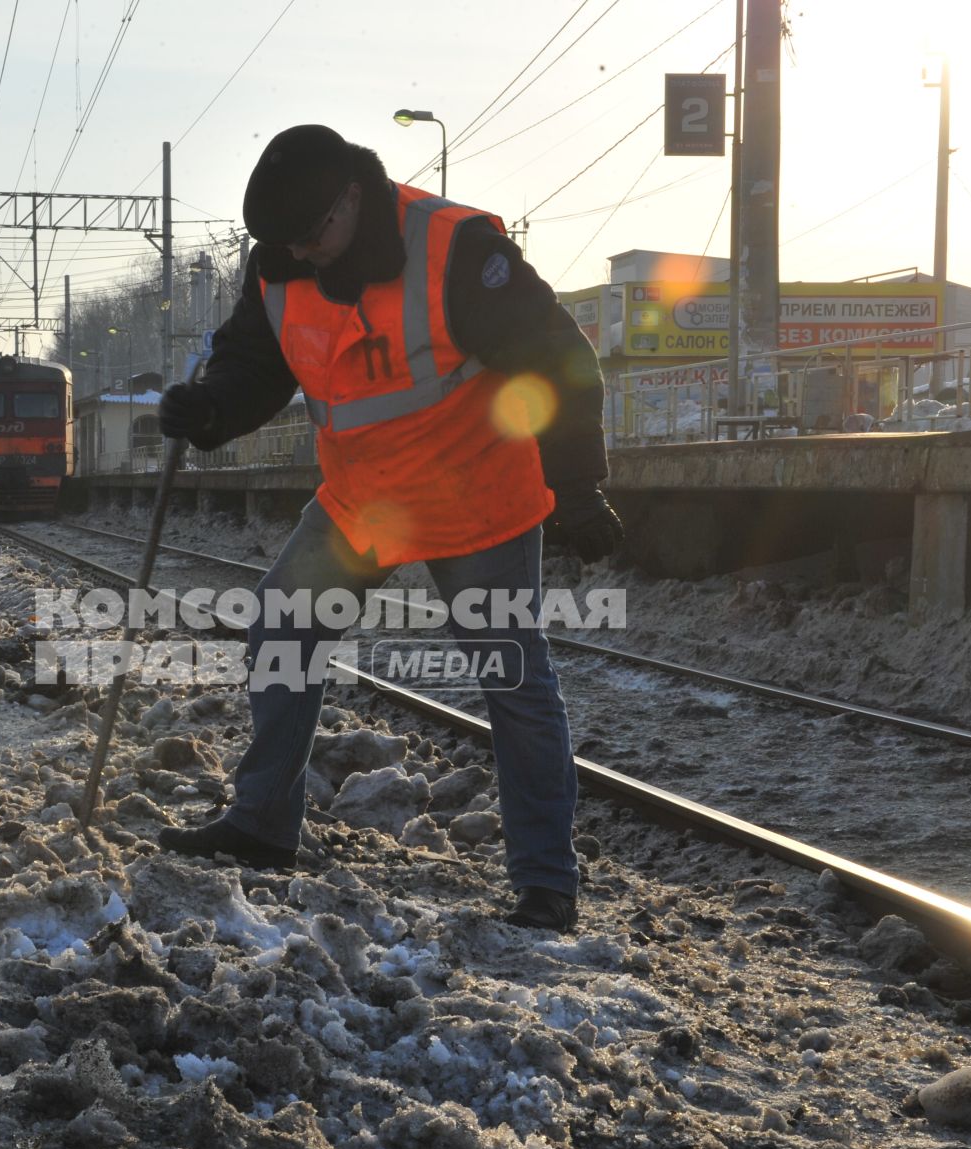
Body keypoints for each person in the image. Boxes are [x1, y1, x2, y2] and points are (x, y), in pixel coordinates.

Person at [152, 125, 621, 935]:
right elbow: (254, 365)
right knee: (281, 625)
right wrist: (211, 407)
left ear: (354, 196)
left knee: (513, 679)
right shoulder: (282, 264)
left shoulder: (455, 250)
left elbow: (559, 357)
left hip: (475, 495)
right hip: (364, 502)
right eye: (289, 242)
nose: (306, 253)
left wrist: (577, 483)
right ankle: (262, 826)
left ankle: (547, 883)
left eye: (315, 234)